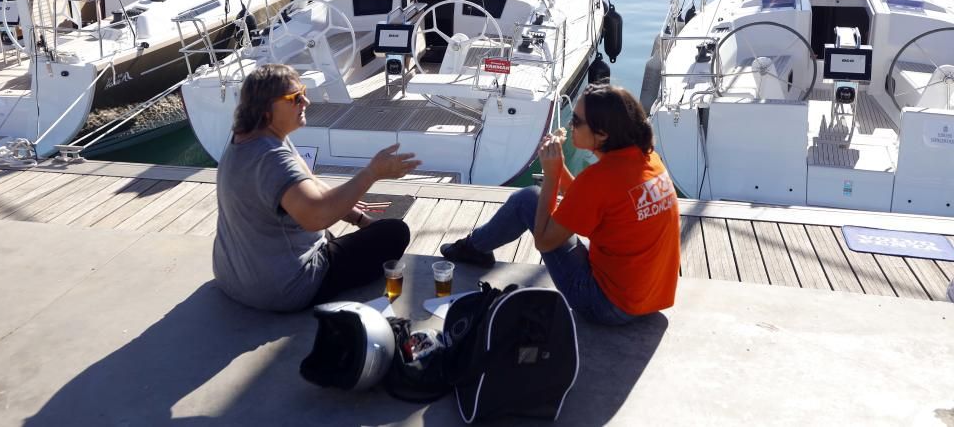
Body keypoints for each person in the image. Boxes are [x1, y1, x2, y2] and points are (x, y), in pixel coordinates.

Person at [441, 83, 680, 325]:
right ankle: (475, 247)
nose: (569, 125)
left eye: (576, 121)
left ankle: (473, 248)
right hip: (652, 300)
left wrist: (552, 176)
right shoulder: (649, 159)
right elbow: (588, 197)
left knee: (527, 199)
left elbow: (544, 240)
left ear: (603, 134)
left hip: (607, 306)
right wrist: (560, 166)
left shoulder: (599, 179)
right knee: (534, 200)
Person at [213, 63, 421, 312]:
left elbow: (308, 180)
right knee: (395, 232)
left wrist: (359, 218)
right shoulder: (272, 159)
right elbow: (317, 217)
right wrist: (372, 173)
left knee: (354, 228)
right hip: (283, 289)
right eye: (295, 98)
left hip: (233, 277)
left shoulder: (248, 137)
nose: (306, 102)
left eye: (303, 92)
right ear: (266, 109)